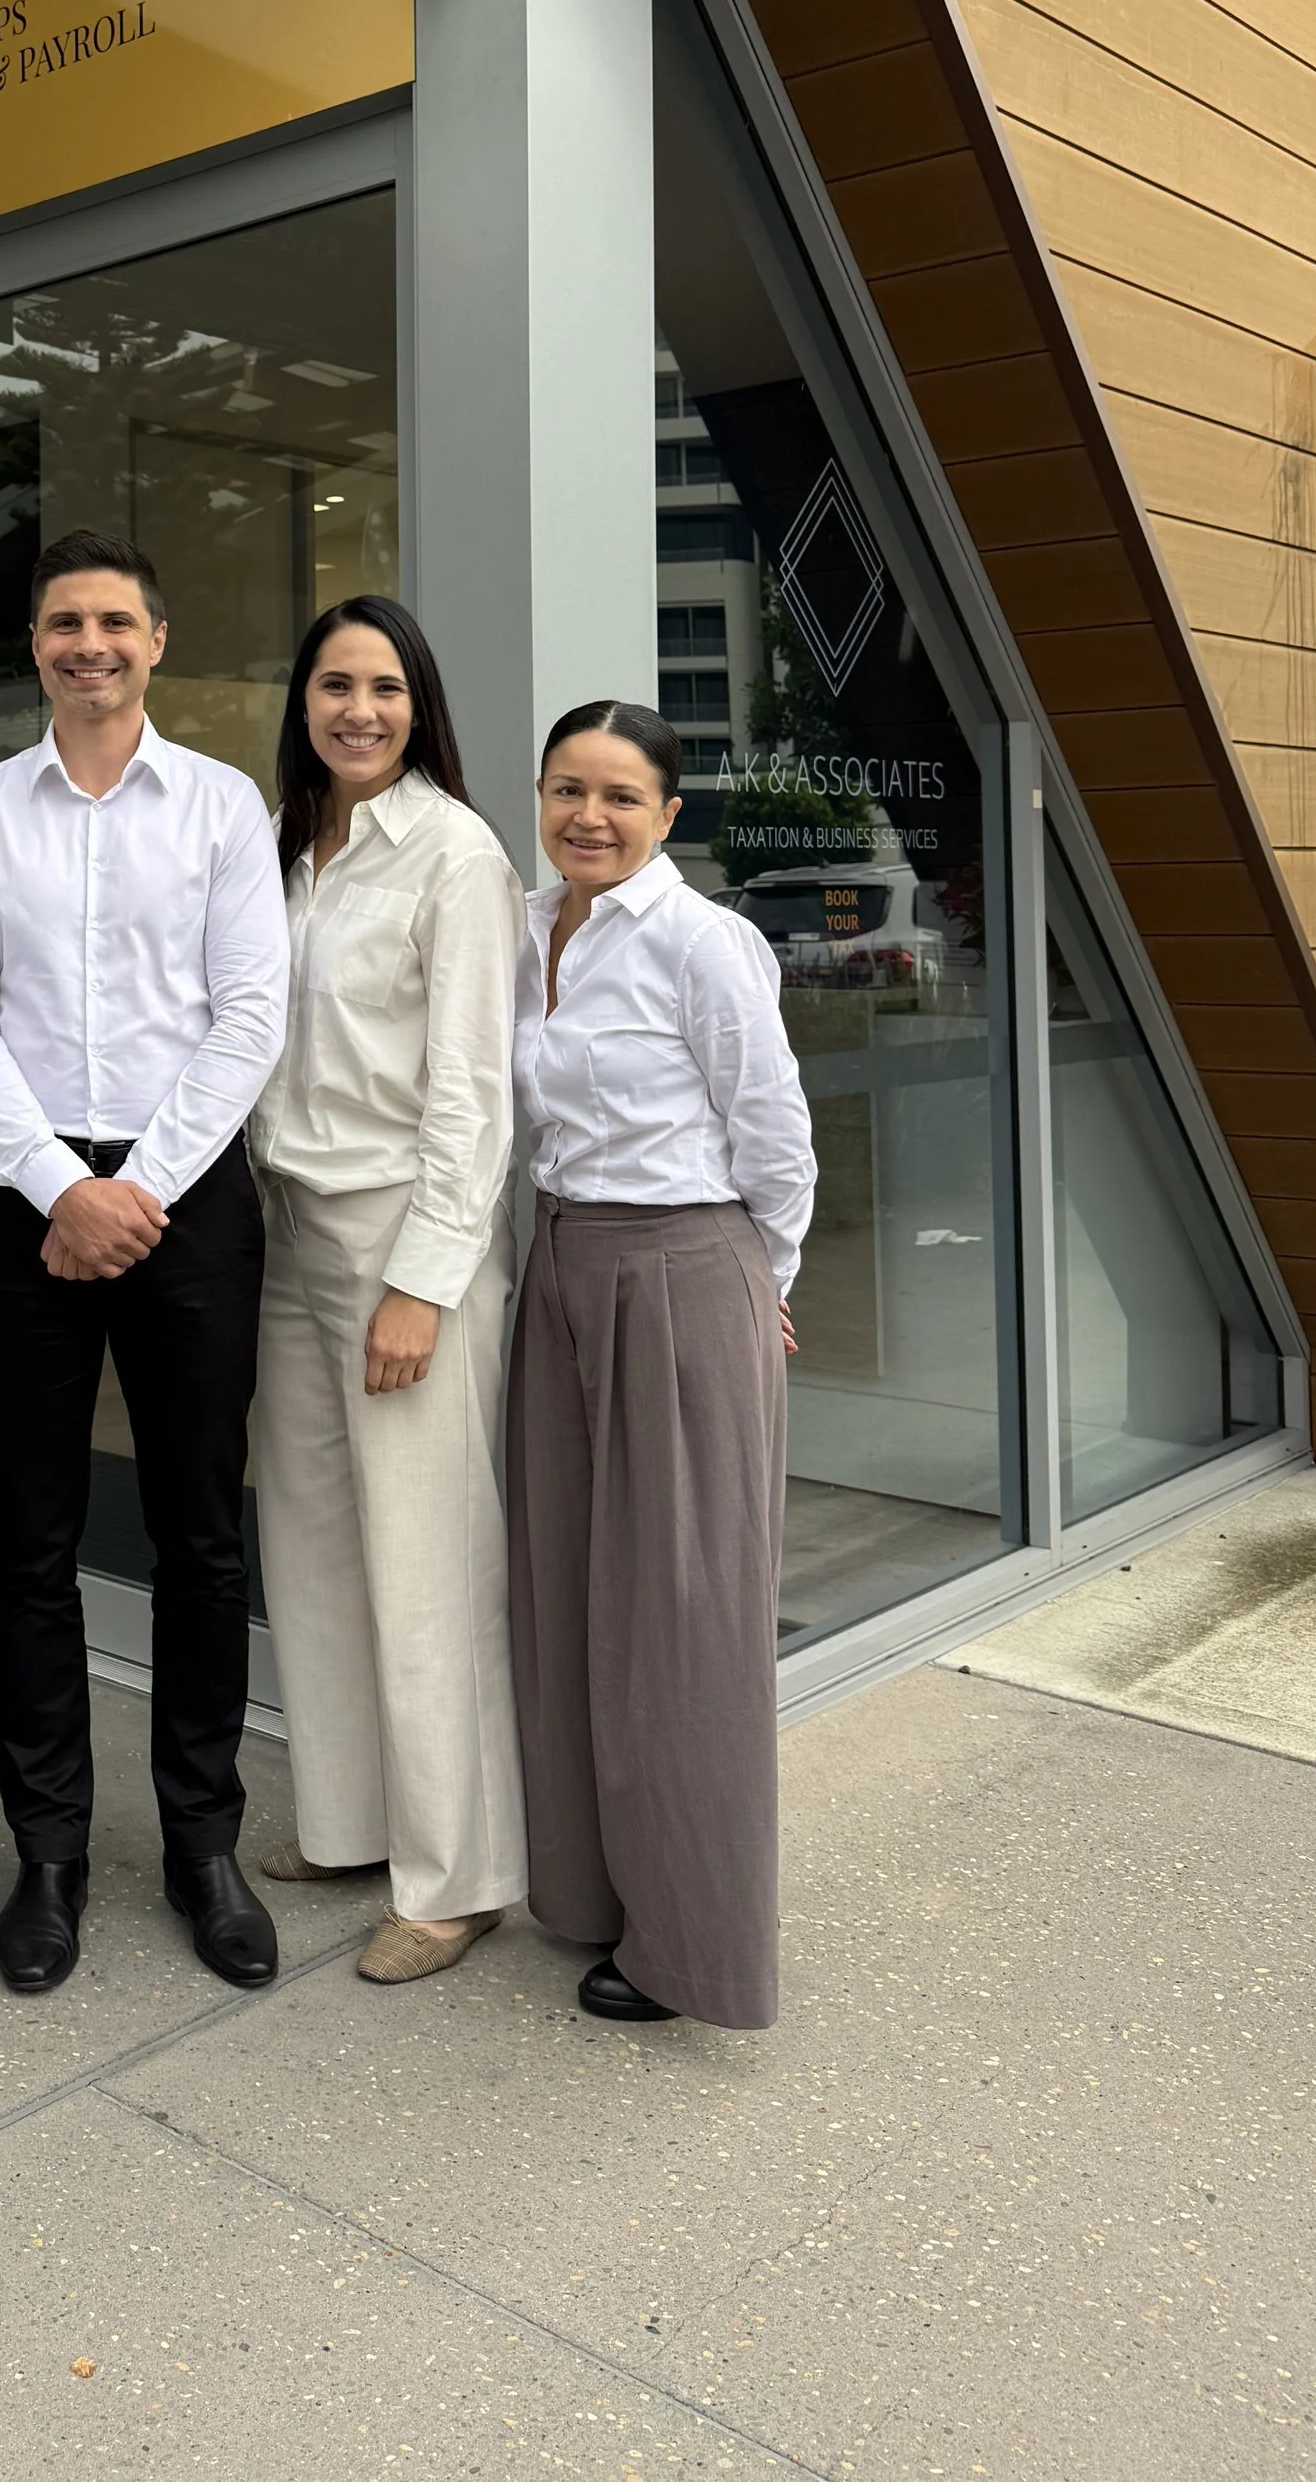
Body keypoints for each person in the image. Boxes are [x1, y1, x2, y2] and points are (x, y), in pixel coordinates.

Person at [0, 531, 290, 1995]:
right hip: (23, 1197)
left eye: (115, 622)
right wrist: (58, 1186)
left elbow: (248, 1013)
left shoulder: (219, 804)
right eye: (66, 622)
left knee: (203, 1538)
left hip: (184, 1191)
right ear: (36, 643)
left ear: (155, 639)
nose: (92, 643)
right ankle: (51, 1853)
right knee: (34, 1548)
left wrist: (131, 1188)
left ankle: (204, 1846)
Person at [509, 700, 815, 2030]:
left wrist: (760, 1287)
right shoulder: (528, 931)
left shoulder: (703, 941)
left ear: (669, 815)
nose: (590, 815)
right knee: (568, 1591)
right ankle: (587, 1894)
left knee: (683, 1623)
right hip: (562, 1268)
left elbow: (776, 1132)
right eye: (568, 789)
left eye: (621, 796)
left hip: (684, 1272)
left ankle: (693, 1948)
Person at [249, 597, 528, 1983]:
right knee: (311, 1543)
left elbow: (476, 1094)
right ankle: (352, 1822)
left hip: (399, 1240)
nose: (357, 710)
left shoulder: (456, 854)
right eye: (333, 686)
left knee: (430, 1560)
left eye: (384, 687)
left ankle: (460, 1871)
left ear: (420, 705)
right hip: (288, 1227)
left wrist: (426, 1280)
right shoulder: (294, 846)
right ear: (301, 702)